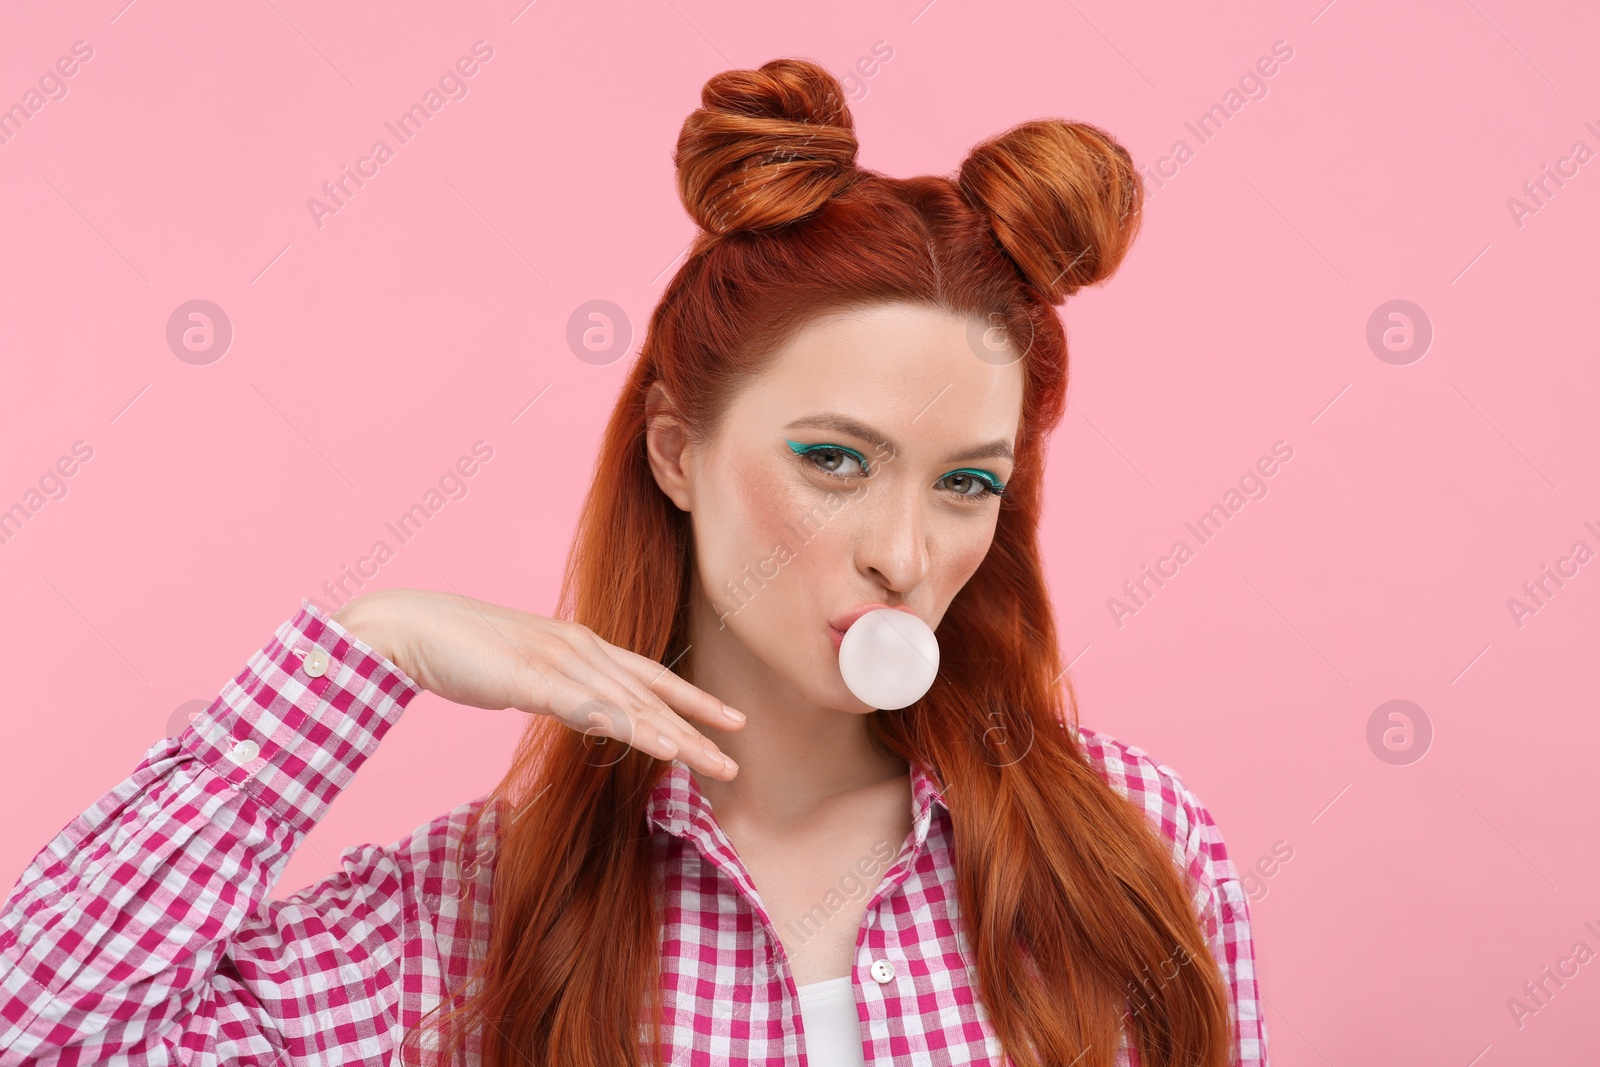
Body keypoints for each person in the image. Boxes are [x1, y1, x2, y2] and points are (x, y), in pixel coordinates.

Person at [0, 57, 1267, 1067]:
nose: (900, 551)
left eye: (965, 482)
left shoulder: (1133, 855)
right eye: (833, 459)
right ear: (675, 449)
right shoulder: (453, 926)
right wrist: (365, 650)